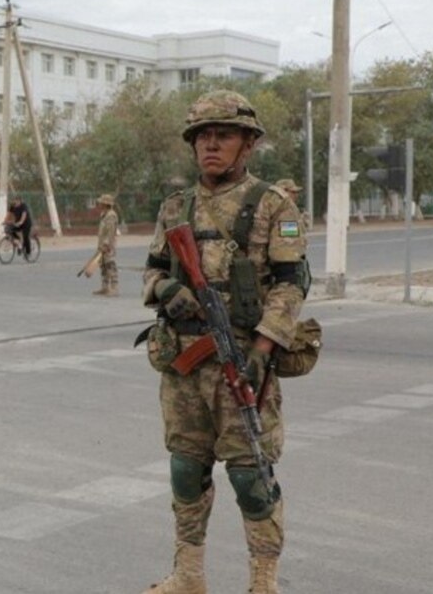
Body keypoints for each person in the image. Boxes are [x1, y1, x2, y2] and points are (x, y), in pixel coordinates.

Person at [140, 90, 307, 594]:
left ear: (248, 144)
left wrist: (262, 349)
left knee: (251, 476)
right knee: (186, 471)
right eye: (203, 137)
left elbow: (292, 282)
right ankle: (189, 577)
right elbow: (149, 273)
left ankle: (264, 583)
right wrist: (166, 288)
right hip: (185, 367)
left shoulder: (274, 206)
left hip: (243, 362)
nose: (211, 145)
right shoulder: (175, 207)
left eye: (224, 135)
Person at [93, 193, 119, 297]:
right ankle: (104, 287)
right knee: (103, 266)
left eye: (101, 203)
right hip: (102, 244)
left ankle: (114, 288)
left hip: (108, 245)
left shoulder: (111, 215)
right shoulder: (104, 215)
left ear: (105, 204)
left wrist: (107, 244)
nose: (99, 204)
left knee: (110, 265)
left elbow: (111, 231)